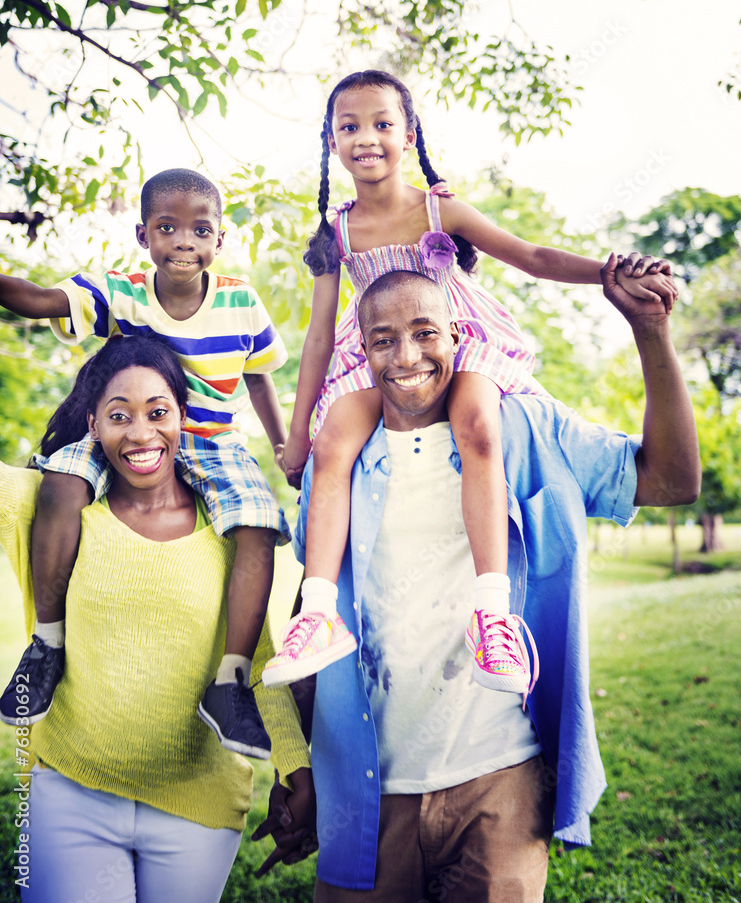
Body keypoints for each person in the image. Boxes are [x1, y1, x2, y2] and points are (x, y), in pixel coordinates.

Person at [291, 265, 699, 900]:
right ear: (362, 350)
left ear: (458, 336)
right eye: (384, 341)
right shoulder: (336, 462)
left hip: (500, 778)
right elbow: (315, 602)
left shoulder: (526, 431)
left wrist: (650, 332)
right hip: (367, 791)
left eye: (427, 333)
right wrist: (302, 763)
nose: (408, 358)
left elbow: (673, 479)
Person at [264, 68, 677, 694]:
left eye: (382, 123)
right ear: (331, 141)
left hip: (455, 339)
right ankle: (319, 611)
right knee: (333, 450)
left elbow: (532, 257)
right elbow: (320, 336)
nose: (366, 137)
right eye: (349, 127)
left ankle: (492, 613)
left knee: (480, 427)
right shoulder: (336, 233)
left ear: (409, 135)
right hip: (376, 347)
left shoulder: (438, 207)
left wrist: (608, 272)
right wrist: (298, 436)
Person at [0, 337, 313, 903]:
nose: (141, 434)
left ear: (183, 418)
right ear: (94, 422)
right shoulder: (56, 511)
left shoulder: (231, 533)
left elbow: (261, 663)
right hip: (71, 789)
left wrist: (298, 772)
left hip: (199, 805)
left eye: (158, 413)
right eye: (119, 416)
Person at [0, 168, 289, 756]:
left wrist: (284, 446)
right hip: (130, 430)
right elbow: (40, 301)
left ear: (219, 239)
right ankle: (47, 644)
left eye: (199, 229)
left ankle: (230, 682)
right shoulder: (123, 291)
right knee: (62, 478)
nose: (184, 240)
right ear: (143, 235)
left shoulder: (240, 300)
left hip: (211, 439)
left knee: (259, 521)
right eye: (167, 227)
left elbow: (259, 375)